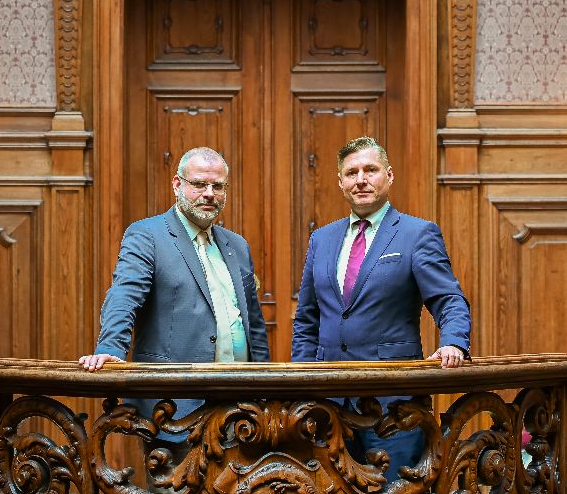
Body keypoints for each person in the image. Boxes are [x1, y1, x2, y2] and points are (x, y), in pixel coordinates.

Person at [291, 136, 471, 481]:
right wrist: (301, 387)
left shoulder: (417, 234)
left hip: (393, 405)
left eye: (370, 170)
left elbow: (449, 298)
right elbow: (307, 320)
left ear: (388, 176)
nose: (361, 179)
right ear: (340, 182)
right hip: (328, 403)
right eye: (351, 173)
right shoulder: (321, 239)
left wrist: (454, 342)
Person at [79, 147, 270, 420]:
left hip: (241, 406)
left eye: (217, 186)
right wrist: (110, 348)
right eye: (199, 184)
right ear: (177, 184)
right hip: (173, 406)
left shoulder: (237, 245)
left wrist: (265, 391)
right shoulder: (147, 235)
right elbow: (124, 296)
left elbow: (254, 324)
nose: (209, 194)